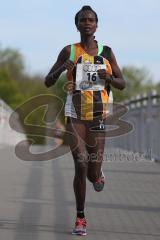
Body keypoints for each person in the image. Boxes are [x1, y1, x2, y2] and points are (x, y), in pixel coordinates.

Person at [45, 5, 125, 236]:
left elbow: (122, 83)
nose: (87, 23)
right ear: (77, 24)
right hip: (76, 114)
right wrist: (62, 68)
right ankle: (80, 218)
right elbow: (47, 82)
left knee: (91, 172)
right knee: (80, 163)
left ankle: (98, 175)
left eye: (91, 20)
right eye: (83, 20)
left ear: (96, 25)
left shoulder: (107, 52)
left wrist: (108, 77)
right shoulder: (69, 51)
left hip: (99, 115)